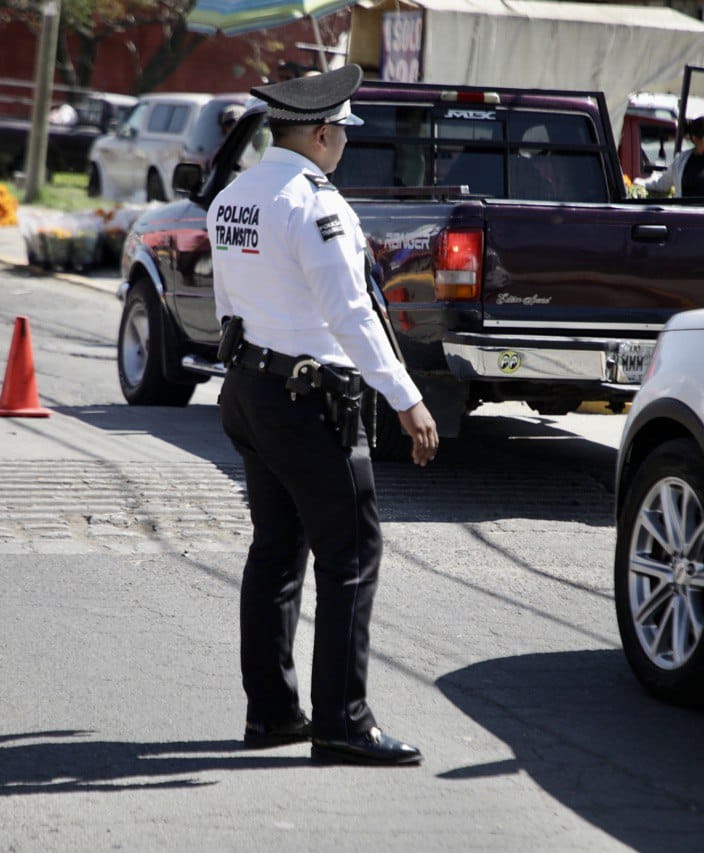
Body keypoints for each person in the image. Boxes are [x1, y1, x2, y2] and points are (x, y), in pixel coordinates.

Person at [208, 64, 438, 766]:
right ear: (319, 132)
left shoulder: (234, 195)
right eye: (340, 131)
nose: (342, 143)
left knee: (276, 551)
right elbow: (353, 314)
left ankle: (273, 713)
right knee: (351, 554)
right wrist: (408, 398)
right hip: (309, 402)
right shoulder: (316, 203)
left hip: (249, 389)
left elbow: (230, 305)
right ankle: (343, 721)